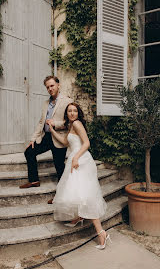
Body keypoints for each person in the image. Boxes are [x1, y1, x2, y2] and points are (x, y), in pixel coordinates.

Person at [48, 102, 110, 250]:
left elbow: (87, 143)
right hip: (75, 160)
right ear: (66, 113)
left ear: (78, 113)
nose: (72, 113)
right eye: (69, 111)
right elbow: (64, 142)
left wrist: (76, 158)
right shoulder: (70, 126)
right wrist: (52, 130)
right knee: (76, 191)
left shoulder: (76, 124)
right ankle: (79, 217)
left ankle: (101, 233)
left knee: (85, 195)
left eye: (74, 111)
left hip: (81, 160)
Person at [19, 76, 72, 205]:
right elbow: (41, 122)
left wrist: (55, 123)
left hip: (59, 138)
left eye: (52, 86)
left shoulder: (67, 101)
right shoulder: (45, 103)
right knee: (29, 152)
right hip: (47, 137)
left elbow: (70, 121)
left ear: (58, 85)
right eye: (47, 87)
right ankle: (34, 180)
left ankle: (61, 194)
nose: (50, 89)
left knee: (59, 166)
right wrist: (33, 139)